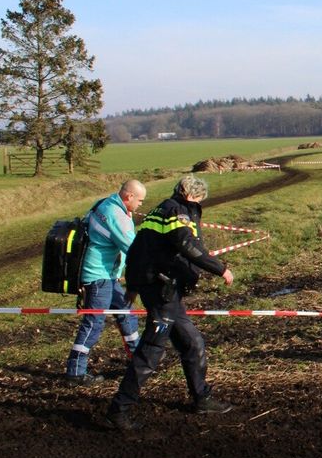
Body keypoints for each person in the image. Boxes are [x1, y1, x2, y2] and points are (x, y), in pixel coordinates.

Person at [107, 174, 235, 431]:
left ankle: (202, 398)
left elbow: (136, 250)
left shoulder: (159, 211)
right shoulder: (177, 212)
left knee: (192, 342)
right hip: (161, 291)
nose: (200, 203)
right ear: (191, 195)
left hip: (164, 291)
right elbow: (187, 244)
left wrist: (132, 286)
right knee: (151, 351)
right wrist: (220, 269)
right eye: (200, 199)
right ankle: (119, 410)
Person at [64, 180, 147, 385]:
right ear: (129, 197)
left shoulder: (106, 203)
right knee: (94, 322)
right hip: (98, 277)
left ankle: (138, 359)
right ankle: (75, 371)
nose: (141, 205)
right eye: (140, 201)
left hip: (107, 275)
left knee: (126, 311)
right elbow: (134, 249)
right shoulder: (117, 216)